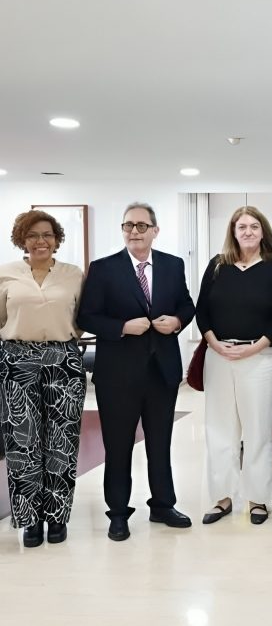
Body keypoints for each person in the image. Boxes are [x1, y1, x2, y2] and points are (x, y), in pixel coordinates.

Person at [77, 202, 195, 541]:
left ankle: (163, 505)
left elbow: (186, 304)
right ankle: (118, 513)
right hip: (117, 374)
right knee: (117, 446)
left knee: (160, 443)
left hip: (162, 372)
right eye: (128, 225)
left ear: (155, 230)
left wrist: (178, 321)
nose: (134, 231)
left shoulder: (173, 265)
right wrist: (122, 327)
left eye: (142, 225)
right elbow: (87, 316)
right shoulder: (103, 268)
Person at [196, 206, 272, 526]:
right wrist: (213, 342)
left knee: (257, 431)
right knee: (219, 429)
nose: (248, 231)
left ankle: (258, 499)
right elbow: (202, 310)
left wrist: (257, 346)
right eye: (241, 227)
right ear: (233, 232)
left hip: (260, 358)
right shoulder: (217, 265)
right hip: (219, 356)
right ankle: (222, 498)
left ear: (263, 231)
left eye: (254, 226)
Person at [0, 210, 85, 547]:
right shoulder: (6, 273)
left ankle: (57, 515)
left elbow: (81, 319)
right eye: (32, 235)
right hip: (17, 359)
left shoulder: (73, 274)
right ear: (22, 239)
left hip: (63, 358)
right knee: (22, 442)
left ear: (56, 239)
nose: (40, 241)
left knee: (62, 440)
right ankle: (29, 519)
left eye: (47, 234)